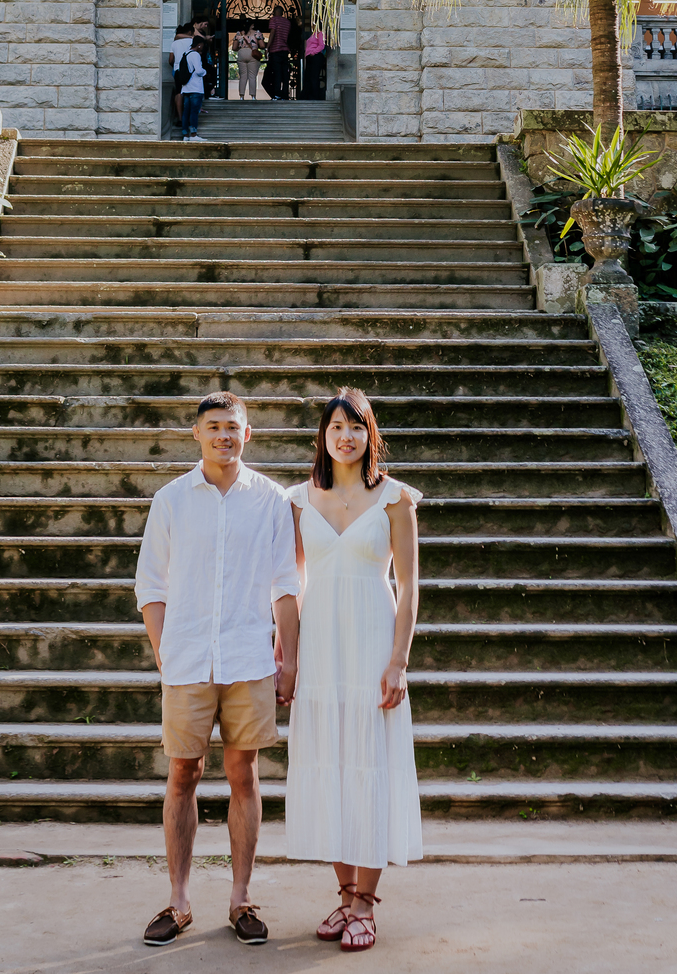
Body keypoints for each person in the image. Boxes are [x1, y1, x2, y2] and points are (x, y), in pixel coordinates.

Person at [135, 392, 300, 947]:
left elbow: (285, 584)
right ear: (197, 433)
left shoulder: (272, 500)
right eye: (214, 427)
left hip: (249, 657)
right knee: (183, 774)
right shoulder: (172, 500)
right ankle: (178, 900)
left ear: (247, 434)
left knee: (243, 774)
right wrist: (163, 648)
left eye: (233, 426)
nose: (224, 436)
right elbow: (151, 584)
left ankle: (241, 898)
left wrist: (288, 659)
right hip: (186, 658)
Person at [285, 388, 421, 953]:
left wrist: (398, 661)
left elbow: (410, 586)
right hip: (320, 649)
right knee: (331, 766)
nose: (346, 436)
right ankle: (344, 897)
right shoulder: (297, 499)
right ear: (322, 435)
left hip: (371, 645)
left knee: (369, 765)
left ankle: (367, 904)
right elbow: (289, 587)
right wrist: (287, 657)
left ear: (371, 436)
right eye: (337, 426)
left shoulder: (395, 499)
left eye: (357, 427)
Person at [178, 34, 207, 141]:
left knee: (186, 112)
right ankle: (193, 134)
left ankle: (185, 135)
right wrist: (205, 72)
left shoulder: (185, 54)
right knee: (194, 112)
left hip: (186, 88)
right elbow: (199, 71)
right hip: (195, 88)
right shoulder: (195, 55)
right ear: (199, 45)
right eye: (202, 45)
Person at [232, 18, 265, 100]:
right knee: (252, 76)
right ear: (252, 25)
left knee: (243, 76)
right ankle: (253, 96)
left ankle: (241, 96)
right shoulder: (256, 33)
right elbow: (262, 46)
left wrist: (241, 48)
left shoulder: (239, 34)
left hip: (242, 53)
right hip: (252, 53)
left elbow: (234, 47)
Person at [169, 19, 194, 126]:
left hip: (177, 70)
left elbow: (170, 60)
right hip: (191, 71)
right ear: (190, 32)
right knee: (190, 94)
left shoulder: (175, 43)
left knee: (179, 93)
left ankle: (180, 118)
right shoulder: (193, 41)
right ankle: (190, 119)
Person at [265, 5, 292, 102]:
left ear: (274, 11)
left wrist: (267, 47)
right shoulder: (287, 22)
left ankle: (277, 94)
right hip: (285, 50)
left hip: (275, 50)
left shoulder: (273, 20)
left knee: (277, 73)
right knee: (285, 73)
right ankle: (285, 94)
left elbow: (273, 33)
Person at [301, 22, 326, 100]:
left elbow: (322, 45)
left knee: (314, 77)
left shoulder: (320, 33)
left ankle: (314, 96)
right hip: (310, 57)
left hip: (315, 57)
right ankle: (307, 96)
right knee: (308, 77)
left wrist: (313, 52)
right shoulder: (314, 34)